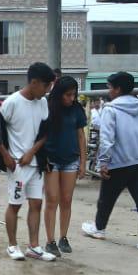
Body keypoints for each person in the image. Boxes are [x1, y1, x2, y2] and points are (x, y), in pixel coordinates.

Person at [82, 71, 138, 252]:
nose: (109, 91)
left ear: (117, 89)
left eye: (110, 87)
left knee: (106, 198)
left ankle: (99, 228)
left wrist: (103, 162)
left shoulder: (111, 109)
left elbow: (107, 139)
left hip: (119, 161)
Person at [0, 62, 55, 262]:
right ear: (34, 82)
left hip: (35, 164)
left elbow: (45, 133)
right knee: (15, 205)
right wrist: (6, 156)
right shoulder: (11, 103)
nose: (48, 90)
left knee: (37, 204)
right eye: (46, 86)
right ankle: (12, 245)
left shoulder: (42, 103)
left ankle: (34, 246)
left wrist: (33, 152)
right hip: (17, 165)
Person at [41, 75, 87, 257]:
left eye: (74, 95)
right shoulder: (47, 107)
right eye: (67, 95)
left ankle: (63, 237)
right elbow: (40, 135)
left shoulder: (76, 109)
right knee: (52, 200)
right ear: (59, 93)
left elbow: (81, 136)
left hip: (71, 160)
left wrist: (83, 162)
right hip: (50, 159)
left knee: (66, 200)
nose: (71, 98)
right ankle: (50, 241)